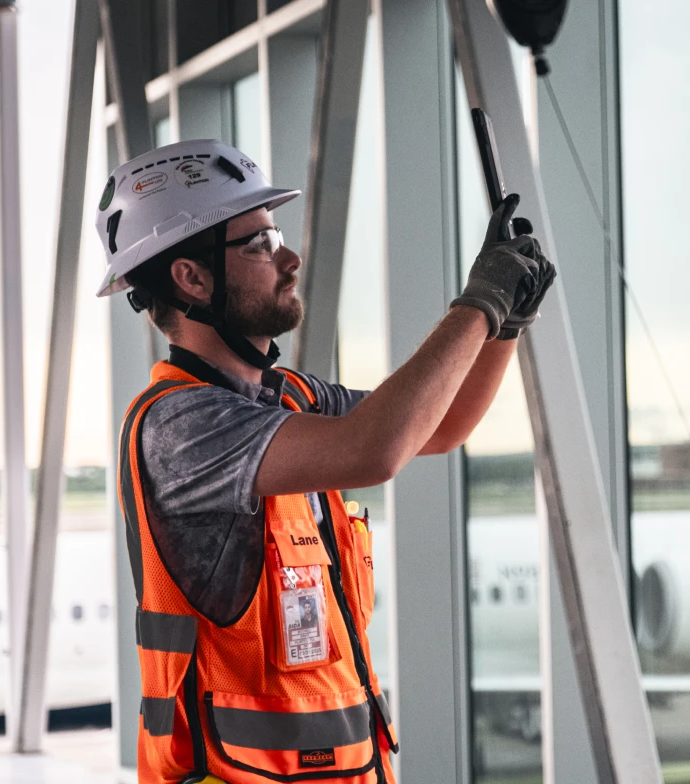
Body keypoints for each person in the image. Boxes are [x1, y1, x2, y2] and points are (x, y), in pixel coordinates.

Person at [95, 139, 555, 784]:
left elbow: (440, 425)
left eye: (275, 234)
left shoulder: (292, 400)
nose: (289, 257)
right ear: (191, 278)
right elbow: (376, 450)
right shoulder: (180, 427)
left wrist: (505, 324)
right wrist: (479, 303)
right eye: (257, 243)